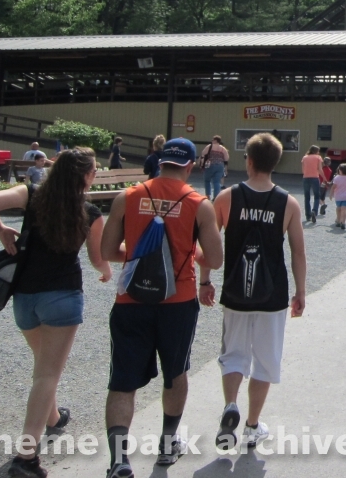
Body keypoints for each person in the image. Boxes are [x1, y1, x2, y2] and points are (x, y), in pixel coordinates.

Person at [0, 148, 111, 478]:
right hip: (63, 297)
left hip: (24, 297)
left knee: (43, 367)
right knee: (47, 374)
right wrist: (106, 269)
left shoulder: (32, 194)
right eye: (94, 170)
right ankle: (26, 458)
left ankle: (53, 418)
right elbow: (97, 257)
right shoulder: (90, 212)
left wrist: (2, 230)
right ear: (85, 176)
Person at [100, 138, 222, 478]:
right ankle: (167, 448)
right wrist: (184, 255)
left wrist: (142, 252)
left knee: (122, 381)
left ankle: (119, 461)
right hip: (178, 302)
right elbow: (215, 258)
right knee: (176, 372)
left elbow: (107, 251)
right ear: (190, 165)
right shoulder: (199, 204)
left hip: (131, 301)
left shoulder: (128, 196)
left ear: (159, 160)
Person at [200, 132, 306, 452]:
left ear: (248, 160)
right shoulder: (288, 203)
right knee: (265, 360)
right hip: (272, 295)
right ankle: (251, 426)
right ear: (276, 163)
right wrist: (300, 292)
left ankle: (230, 404)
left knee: (233, 355)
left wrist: (204, 281)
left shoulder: (226, 197)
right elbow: (298, 253)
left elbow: (209, 244)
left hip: (235, 292)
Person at [299, 145, 325, 224]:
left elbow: (303, 170)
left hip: (306, 178)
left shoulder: (304, 157)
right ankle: (314, 211)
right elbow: (320, 169)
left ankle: (308, 215)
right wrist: (324, 178)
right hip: (315, 178)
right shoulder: (318, 157)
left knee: (307, 197)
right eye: (318, 151)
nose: (319, 152)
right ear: (315, 151)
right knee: (317, 196)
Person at [200, 136, 231, 201]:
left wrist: (202, 162)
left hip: (210, 165)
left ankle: (208, 195)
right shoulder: (223, 148)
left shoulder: (209, 146)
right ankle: (216, 197)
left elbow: (203, 153)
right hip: (220, 166)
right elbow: (226, 158)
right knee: (216, 182)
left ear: (216, 140)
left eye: (213, 139)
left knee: (207, 180)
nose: (212, 140)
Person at [330, 163, 346, 229]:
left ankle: (338, 220)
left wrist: (331, 194)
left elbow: (333, 187)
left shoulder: (337, 178)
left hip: (338, 196)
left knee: (338, 208)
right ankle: (343, 222)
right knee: (344, 209)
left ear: (340, 170)